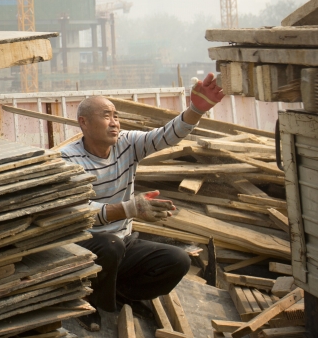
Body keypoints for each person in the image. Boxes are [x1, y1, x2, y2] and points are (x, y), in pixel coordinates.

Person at [62, 74, 225, 331]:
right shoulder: (68, 160)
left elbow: (163, 137)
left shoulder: (126, 143)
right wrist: (129, 208)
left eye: (116, 116)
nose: (114, 122)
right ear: (84, 122)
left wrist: (196, 110)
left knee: (178, 260)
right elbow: (77, 212)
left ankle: (121, 296)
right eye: (106, 116)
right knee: (110, 246)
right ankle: (88, 301)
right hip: (86, 245)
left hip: (122, 241)